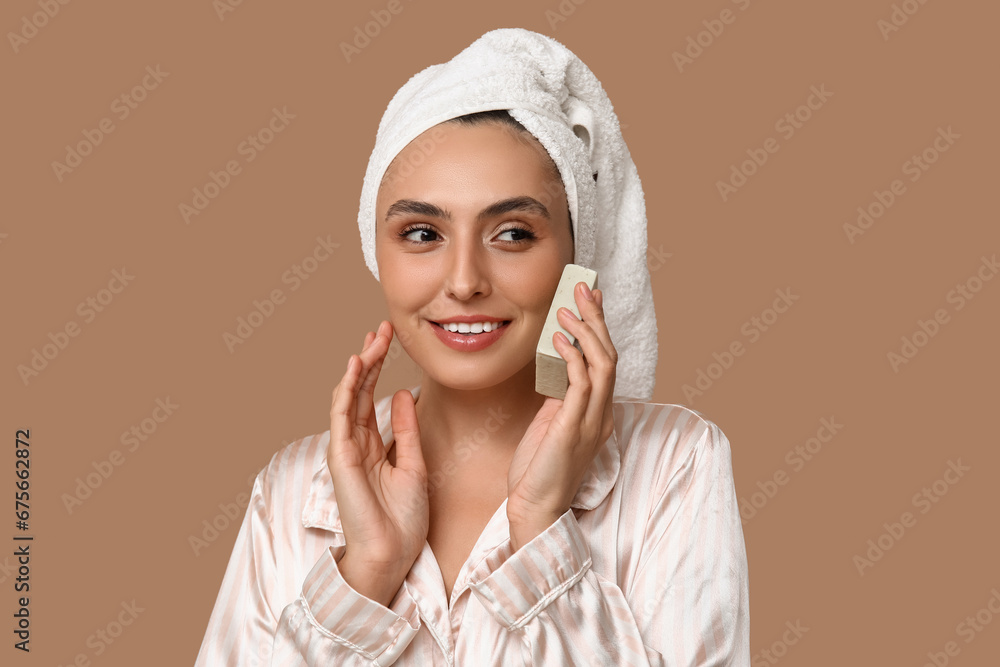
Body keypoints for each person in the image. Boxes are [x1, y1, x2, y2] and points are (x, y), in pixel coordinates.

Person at [195, 29, 749, 667]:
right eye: (423, 232)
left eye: (513, 232)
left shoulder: (673, 466)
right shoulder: (292, 490)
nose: (463, 281)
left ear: (578, 253)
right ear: (377, 253)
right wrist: (365, 577)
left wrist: (541, 527)